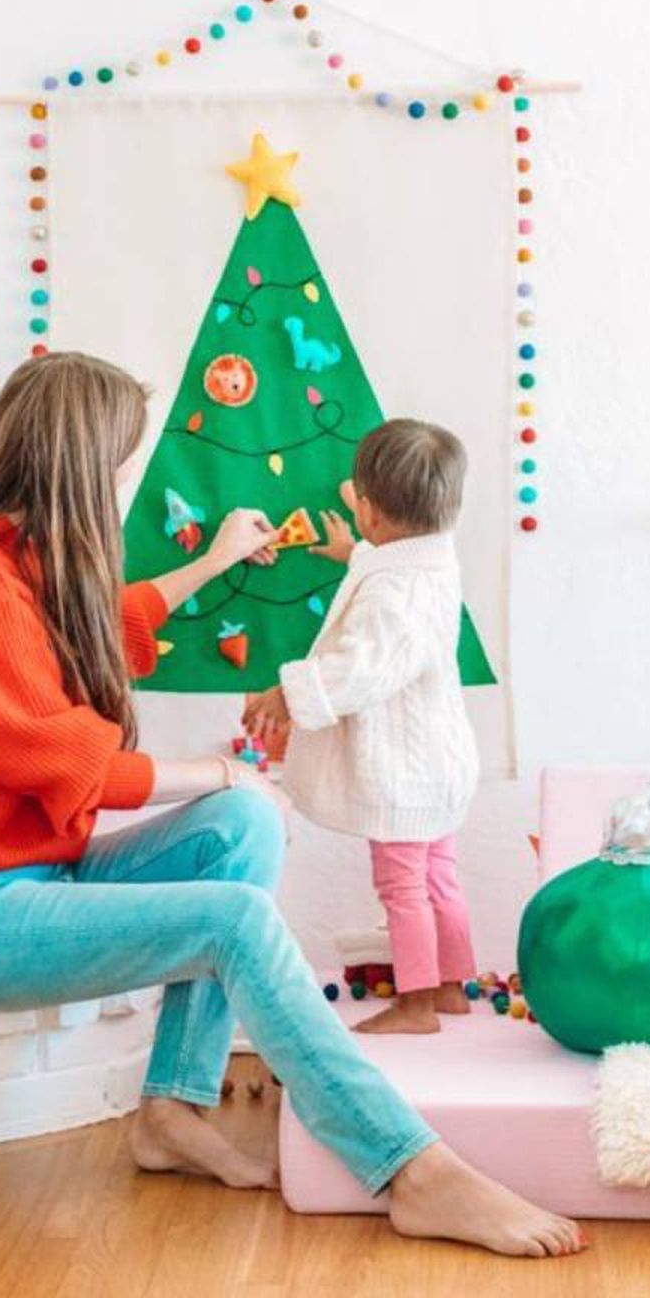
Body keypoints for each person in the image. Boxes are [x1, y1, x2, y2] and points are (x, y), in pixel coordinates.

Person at [0, 353, 584, 1256]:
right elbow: (65, 763)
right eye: (123, 462)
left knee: (243, 826)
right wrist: (219, 771)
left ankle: (170, 1111)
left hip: (36, 872)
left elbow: (106, 622)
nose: (128, 480)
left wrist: (214, 563)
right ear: (83, 460)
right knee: (236, 909)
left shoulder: (14, 559)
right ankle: (411, 1169)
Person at [245, 419, 479, 1038]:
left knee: (402, 884)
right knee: (439, 875)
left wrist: (286, 693)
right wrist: (353, 551)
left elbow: (357, 672)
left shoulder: (394, 595)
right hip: (442, 758)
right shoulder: (431, 561)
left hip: (405, 768)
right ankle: (453, 985)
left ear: (371, 512)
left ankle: (416, 1003)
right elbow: (390, 570)